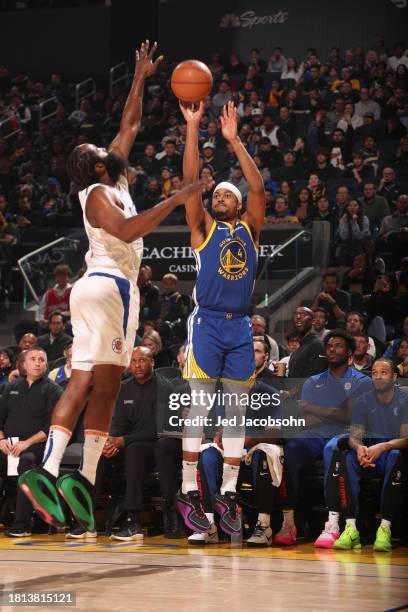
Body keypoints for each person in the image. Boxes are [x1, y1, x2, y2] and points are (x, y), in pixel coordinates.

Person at [18, 40, 203, 533]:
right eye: (96, 151)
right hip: (111, 289)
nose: (105, 146)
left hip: (94, 290)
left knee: (92, 384)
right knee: (99, 385)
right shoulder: (98, 194)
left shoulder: (112, 179)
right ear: (97, 166)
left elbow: (131, 124)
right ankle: (68, 472)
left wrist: (140, 77)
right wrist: (179, 197)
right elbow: (127, 231)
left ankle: (67, 474)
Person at [176, 100, 265, 536]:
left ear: (239, 201)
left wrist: (234, 140)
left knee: (235, 408)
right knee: (199, 403)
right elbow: (190, 184)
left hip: (240, 324)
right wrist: (193, 127)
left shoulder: (250, 227)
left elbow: (259, 187)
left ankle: (228, 493)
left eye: (227, 194)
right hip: (207, 321)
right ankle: (188, 490)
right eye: (217, 196)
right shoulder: (203, 229)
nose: (219, 198)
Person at [275, 331, 370, 546]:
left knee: (332, 448)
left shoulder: (361, 381)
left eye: (338, 346)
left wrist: (314, 409)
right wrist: (324, 412)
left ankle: (333, 522)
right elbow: (307, 417)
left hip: (347, 433)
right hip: (315, 433)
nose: (332, 349)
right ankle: (288, 522)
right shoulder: (312, 381)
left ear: (349, 353)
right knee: (289, 447)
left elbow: (350, 415)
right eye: (329, 346)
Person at [332, 360, 408, 552]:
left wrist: (383, 447)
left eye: (383, 372)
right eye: (374, 372)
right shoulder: (363, 401)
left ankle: (385, 528)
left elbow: (406, 439)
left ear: (394, 377)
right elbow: (355, 437)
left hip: (393, 456)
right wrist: (359, 449)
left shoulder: (404, 399)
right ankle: (350, 528)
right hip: (369, 457)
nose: (378, 376)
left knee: (396, 455)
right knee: (347, 457)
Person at [0, 349, 62, 536]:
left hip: (36, 446)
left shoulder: (53, 390)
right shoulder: (10, 387)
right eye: (33, 359)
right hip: (7, 444)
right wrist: (1, 439)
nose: (37, 363)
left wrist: (26, 443)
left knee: (26, 461)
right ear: (24, 364)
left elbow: (52, 426)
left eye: (41, 360)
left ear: (46, 365)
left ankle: (22, 524)